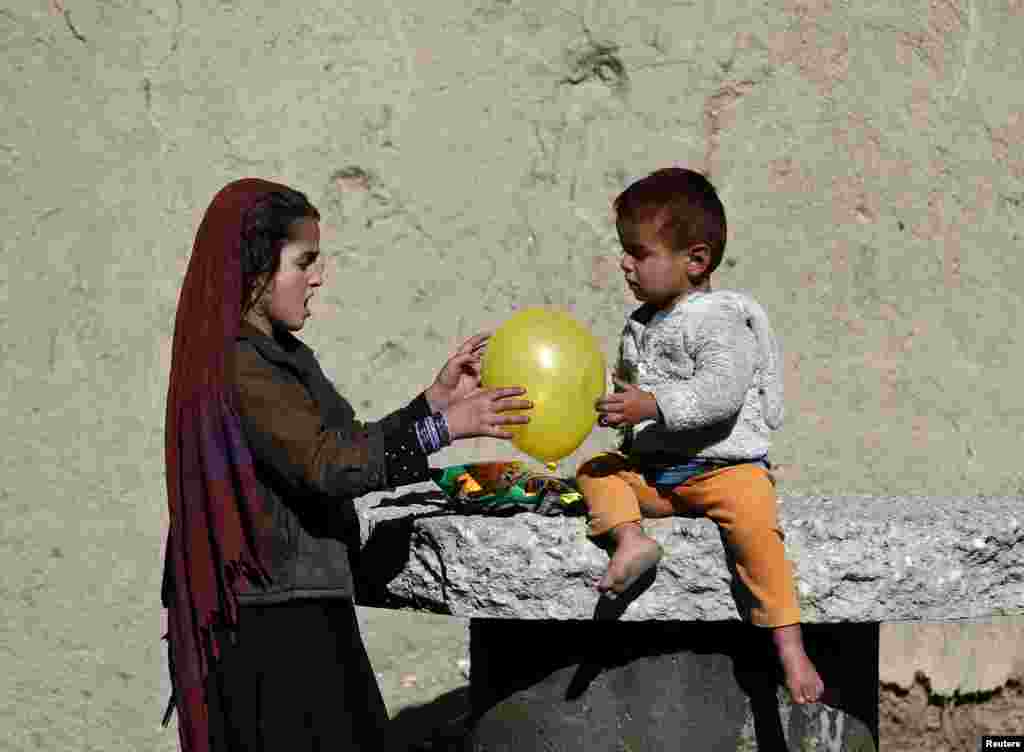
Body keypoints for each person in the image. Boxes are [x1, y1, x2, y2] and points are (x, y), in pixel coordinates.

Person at [160, 178, 532, 752]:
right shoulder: (242, 365)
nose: (318, 276)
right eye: (303, 261)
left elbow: (342, 444)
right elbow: (327, 466)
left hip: (303, 609)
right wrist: (445, 429)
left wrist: (430, 404)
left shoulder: (280, 357)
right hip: (274, 630)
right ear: (258, 267)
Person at [577, 167, 824, 705]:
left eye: (638, 253)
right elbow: (634, 389)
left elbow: (720, 393)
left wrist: (653, 404)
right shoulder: (640, 323)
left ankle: (789, 644)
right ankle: (631, 540)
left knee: (758, 534)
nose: (625, 263)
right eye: (624, 250)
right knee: (595, 473)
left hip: (725, 472)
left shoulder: (718, 319)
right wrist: (619, 408)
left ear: (696, 260)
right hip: (661, 477)